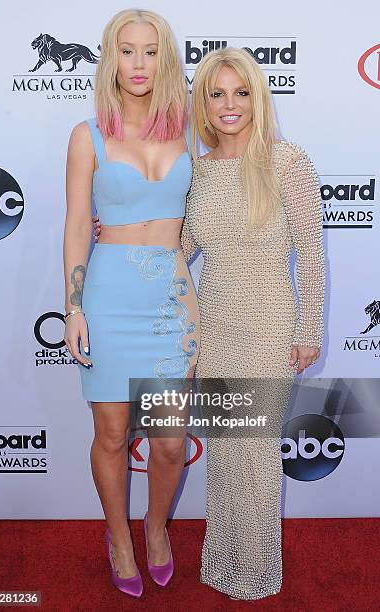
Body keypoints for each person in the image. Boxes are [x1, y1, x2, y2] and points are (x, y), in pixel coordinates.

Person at [63, 9, 199, 599]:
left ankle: (156, 527)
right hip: (109, 296)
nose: (138, 64)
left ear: (165, 57)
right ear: (110, 58)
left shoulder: (193, 130)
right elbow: (74, 226)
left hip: (172, 300)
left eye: (150, 51)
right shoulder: (86, 134)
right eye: (127, 50)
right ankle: (119, 537)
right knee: (112, 432)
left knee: (170, 439)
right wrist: (72, 307)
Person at [181, 47, 325, 600]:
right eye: (216, 93)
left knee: (255, 448)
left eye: (241, 92)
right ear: (203, 102)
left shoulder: (287, 161)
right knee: (223, 447)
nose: (229, 104)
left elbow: (311, 251)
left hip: (268, 324)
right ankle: (222, 561)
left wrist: (308, 329)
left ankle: (258, 571)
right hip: (212, 326)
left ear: (258, 96)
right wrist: (118, 233)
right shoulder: (197, 171)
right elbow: (180, 248)